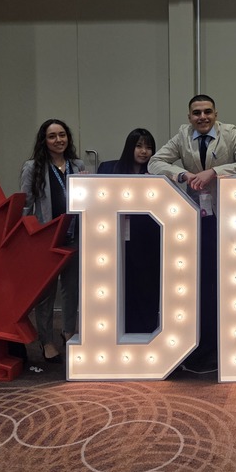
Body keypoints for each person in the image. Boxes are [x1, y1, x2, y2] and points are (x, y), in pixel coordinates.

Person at [148, 95, 236, 367]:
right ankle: (201, 340)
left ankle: (225, 341)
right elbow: (154, 163)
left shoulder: (230, 133)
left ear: (215, 114)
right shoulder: (182, 135)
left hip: (227, 220)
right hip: (194, 220)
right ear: (189, 117)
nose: (202, 117)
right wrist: (182, 175)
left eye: (207, 112)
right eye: (196, 113)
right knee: (199, 282)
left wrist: (215, 171)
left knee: (225, 282)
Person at [20, 118, 85, 363]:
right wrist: (27, 237)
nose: (58, 140)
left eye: (62, 135)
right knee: (46, 293)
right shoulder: (33, 167)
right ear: (44, 141)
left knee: (72, 288)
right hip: (46, 239)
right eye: (52, 136)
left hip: (74, 235)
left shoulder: (77, 165)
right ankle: (46, 340)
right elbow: (26, 205)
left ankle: (68, 332)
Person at [98, 128, 160, 334]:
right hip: (116, 236)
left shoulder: (157, 173)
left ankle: (146, 329)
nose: (144, 151)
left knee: (146, 284)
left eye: (148, 147)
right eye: (139, 146)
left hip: (147, 239)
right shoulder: (109, 169)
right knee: (120, 283)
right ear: (129, 147)